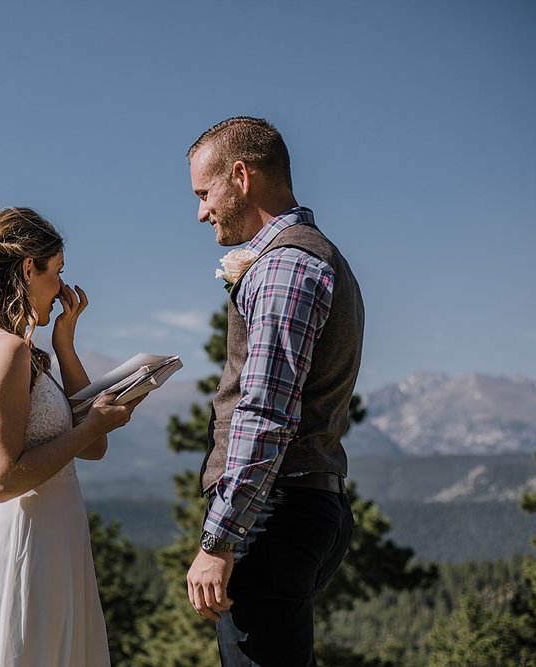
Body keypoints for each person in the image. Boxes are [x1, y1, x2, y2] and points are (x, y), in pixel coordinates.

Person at [185, 117, 364, 666]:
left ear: (240, 175)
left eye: (204, 192)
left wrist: (219, 540)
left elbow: (265, 411)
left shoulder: (285, 265)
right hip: (308, 503)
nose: (200, 212)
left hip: (275, 512)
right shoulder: (315, 254)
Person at [0, 206, 141, 666]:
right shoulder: (4, 351)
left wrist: (65, 345)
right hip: (28, 546)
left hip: (51, 538)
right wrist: (93, 423)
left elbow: (93, 447)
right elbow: (3, 479)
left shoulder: (4, 346)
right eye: (58, 271)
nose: (63, 288)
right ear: (30, 267)